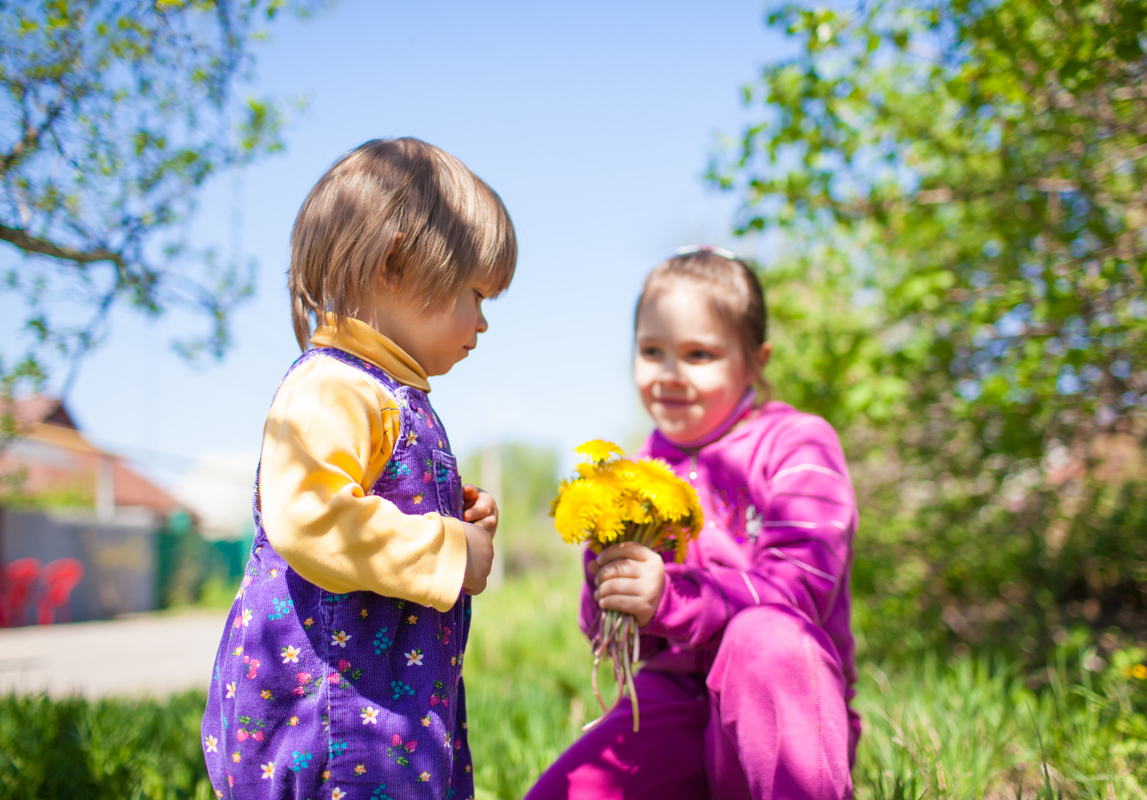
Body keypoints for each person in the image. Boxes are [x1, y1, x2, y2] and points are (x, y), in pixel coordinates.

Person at [201, 138, 516, 800]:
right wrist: (449, 549)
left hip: (384, 708)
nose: (483, 323)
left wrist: (448, 508)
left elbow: (363, 500)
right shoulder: (335, 386)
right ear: (396, 265)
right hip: (337, 719)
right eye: (475, 294)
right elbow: (309, 515)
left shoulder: (384, 392)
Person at [527, 247, 859, 800]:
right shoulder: (629, 476)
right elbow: (613, 642)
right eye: (652, 351)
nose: (671, 374)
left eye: (699, 354)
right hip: (674, 700)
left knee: (765, 636)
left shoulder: (798, 444)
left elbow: (800, 589)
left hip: (782, 716)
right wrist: (607, 584)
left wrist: (670, 596)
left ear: (756, 359)